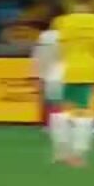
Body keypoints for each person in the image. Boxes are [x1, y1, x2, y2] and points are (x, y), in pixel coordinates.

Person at [48, 0, 94, 167]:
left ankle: (60, 152)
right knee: (84, 113)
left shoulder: (60, 22)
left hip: (62, 70)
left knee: (61, 112)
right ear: (92, 2)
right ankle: (78, 154)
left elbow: (52, 48)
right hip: (88, 70)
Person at [32, 27, 64, 158]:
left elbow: (39, 57)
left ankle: (50, 124)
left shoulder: (45, 36)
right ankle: (52, 124)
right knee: (53, 93)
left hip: (56, 62)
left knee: (50, 92)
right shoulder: (48, 37)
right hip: (60, 63)